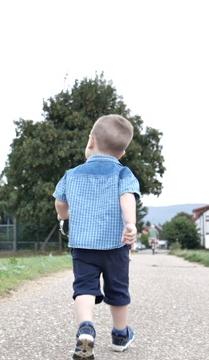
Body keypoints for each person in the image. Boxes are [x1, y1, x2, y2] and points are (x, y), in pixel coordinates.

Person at [53, 114, 141, 359]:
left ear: (90, 141)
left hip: (82, 247)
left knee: (84, 288)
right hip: (115, 245)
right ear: (121, 154)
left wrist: (65, 215)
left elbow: (60, 202)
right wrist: (130, 223)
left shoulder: (72, 174)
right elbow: (127, 197)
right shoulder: (123, 174)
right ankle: (120, 335)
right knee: (118, 291)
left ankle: (86, 329)